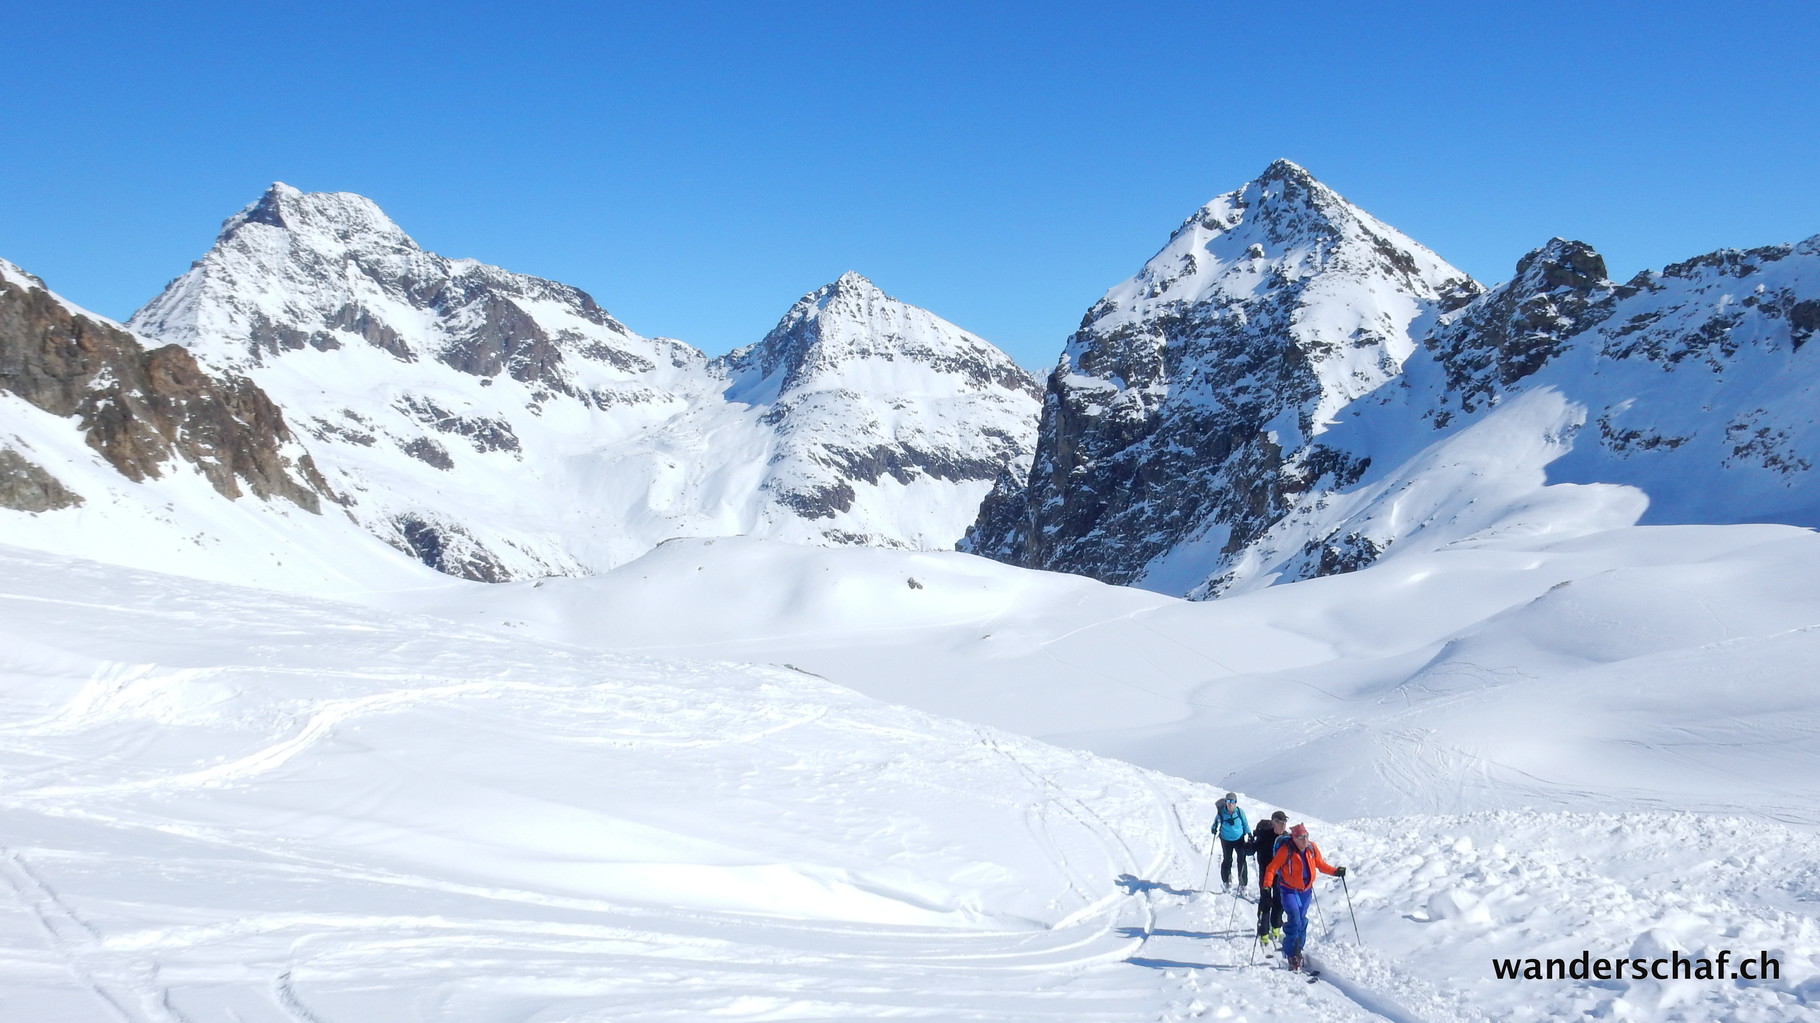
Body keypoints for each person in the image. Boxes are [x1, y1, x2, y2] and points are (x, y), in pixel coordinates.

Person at [1261, 823, 1347, 972]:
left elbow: (1319, 864)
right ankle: (1290, 952)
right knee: (1294, 918)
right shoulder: (1286, 850)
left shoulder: (1311, 848)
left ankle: (1298, 948)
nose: (1304, 840)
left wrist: (1335, 872)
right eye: (1300, 837)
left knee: (1302, 919)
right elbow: (1272, 868)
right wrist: (1267, 887)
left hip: (1305, 891)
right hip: (1288, 889)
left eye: (1306, 836)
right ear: (1294, 838)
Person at [1252, 811, 1288, 944]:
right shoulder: (1265, 836)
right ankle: (1264, 932)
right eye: (1280, 822)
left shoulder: (1286, 838)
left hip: (1280, 874)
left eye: (1284, 822)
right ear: (1273, 822)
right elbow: (1253, 849)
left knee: (1279, 901)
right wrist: (1248, 846)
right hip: (1266, 872)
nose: (1283, 825)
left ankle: (1276, 928)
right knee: (1266, 900)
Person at [1211, 793, 1251, 892]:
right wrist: (1214, 828)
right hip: (1226, 839)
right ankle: (1226, 881)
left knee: (1242, 860)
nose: (1230, 804)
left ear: (1235, 803)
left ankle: (1243, 884)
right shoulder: (1221, 813)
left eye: (1232, 802)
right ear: (1225, 802)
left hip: (1239, 839)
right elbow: (1215, 823)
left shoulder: (1240, 812)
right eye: (1228, 801)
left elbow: (1245, 823)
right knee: (1227, 859)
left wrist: (1249, 833)